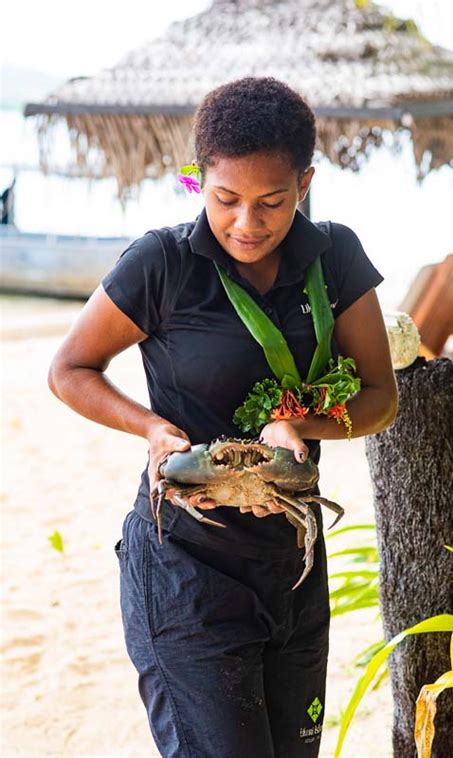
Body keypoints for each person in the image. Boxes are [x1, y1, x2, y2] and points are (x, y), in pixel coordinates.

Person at [48, 76, 398, 757]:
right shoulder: (163, 264)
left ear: (305, 183)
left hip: (292, 567)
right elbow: (69, 369)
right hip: (186, 571)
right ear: (197, 181)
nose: (247, 223)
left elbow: (380, 394)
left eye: (272, 201)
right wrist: (151, 427)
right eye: (225, 199)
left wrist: (307, 429)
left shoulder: (336, 258)